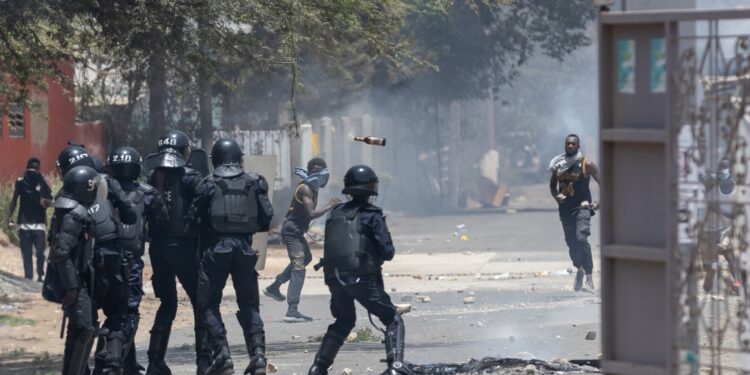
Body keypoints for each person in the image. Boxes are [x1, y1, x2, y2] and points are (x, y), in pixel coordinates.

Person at [308, 165, 414, 375]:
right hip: (360, 279)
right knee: (392, 319)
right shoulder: (372, 214)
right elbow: (387, 251)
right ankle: (396, 367)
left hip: (334, 278)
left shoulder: (335, 214)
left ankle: (318, 368)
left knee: (344, 321)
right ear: (371, 189)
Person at [192, 139, 274, 375]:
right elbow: (267, 218)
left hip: (215, 250)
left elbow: (194, 218)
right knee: (249, 305)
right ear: (239, 157)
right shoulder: (255, 182)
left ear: (215, 158)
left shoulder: (207, 183)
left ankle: (223, 356)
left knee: (207, 305)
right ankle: (258, 356)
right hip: (245, 251)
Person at [56, 144, 138, 374]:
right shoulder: (107, 182)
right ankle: (110, 364)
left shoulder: (64, 196)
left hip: (80, 268)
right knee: (118, 314)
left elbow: (57, 243)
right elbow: (130, 215)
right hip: (111, 260)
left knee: (82, 326)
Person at [146, 130, 211, 374]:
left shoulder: (153, 176)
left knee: (168, 303)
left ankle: (155, 361)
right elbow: (203, 213)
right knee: (200, 303)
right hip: (184, 248)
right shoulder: (192, 178)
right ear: (184, 151)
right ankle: (203, 361)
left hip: (157, 249)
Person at [107, 146, 169, 374]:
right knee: (129, 312)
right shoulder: (147, 193)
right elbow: (163, 219)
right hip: (131, 261)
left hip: (102, 260)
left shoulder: (101, 189)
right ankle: (113, 361)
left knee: (115, 311)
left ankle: (128, 362)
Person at [264, 158, 340, 322]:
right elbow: (311, 213)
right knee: (299, 267)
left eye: (320, 169)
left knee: (307, 258)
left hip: (297, 232)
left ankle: (274, 286)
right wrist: (329, 205)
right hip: (292, 232)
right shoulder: (305, 188)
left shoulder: (313, 187)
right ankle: (292, 309)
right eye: (314, 169)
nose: (317, 172)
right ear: (310, 171)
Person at [47, 165, 99, 375]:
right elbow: (60, 252)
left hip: (79, 280)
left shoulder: (71, 210)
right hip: (76, 282)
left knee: (86, 327)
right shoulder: (74, 215)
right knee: (83, 330)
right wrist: (71, 287)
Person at [548, 134, 601, 292]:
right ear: (565, 146)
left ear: (578, 146)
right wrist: (557, 197)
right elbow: (552, 187)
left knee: (581, 238)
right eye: (568, 144)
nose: (570, 146)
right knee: (572, 244)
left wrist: (599, 203)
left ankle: (590, 279)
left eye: (573, 144)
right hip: (565, 209)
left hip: (583, 207)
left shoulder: (586, 165)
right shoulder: (558, 166)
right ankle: (579, 269)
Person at [7, 157, 53, 281]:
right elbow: (14, 200)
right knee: (32, 253)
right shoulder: (21, 182)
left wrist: (10, 217)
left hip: (36, 224)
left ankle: (38, 275)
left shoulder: (41, 181)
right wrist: (10, 217)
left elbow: (49, 197)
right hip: (28, 223)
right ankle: (30, 278)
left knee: (36, 253)